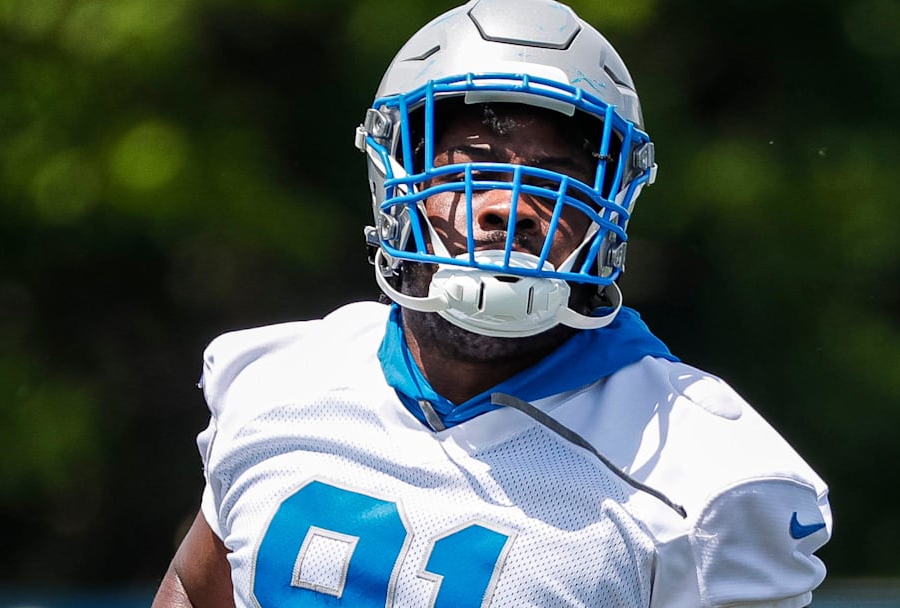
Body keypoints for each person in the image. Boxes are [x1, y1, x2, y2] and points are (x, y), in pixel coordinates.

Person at [152, 0, 833, 606]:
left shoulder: (706, 477)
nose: (510, 207)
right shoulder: (278, 376)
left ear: (612, 209)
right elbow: (195, 587)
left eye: (556, 177)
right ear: (393, 179)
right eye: (471, 162)